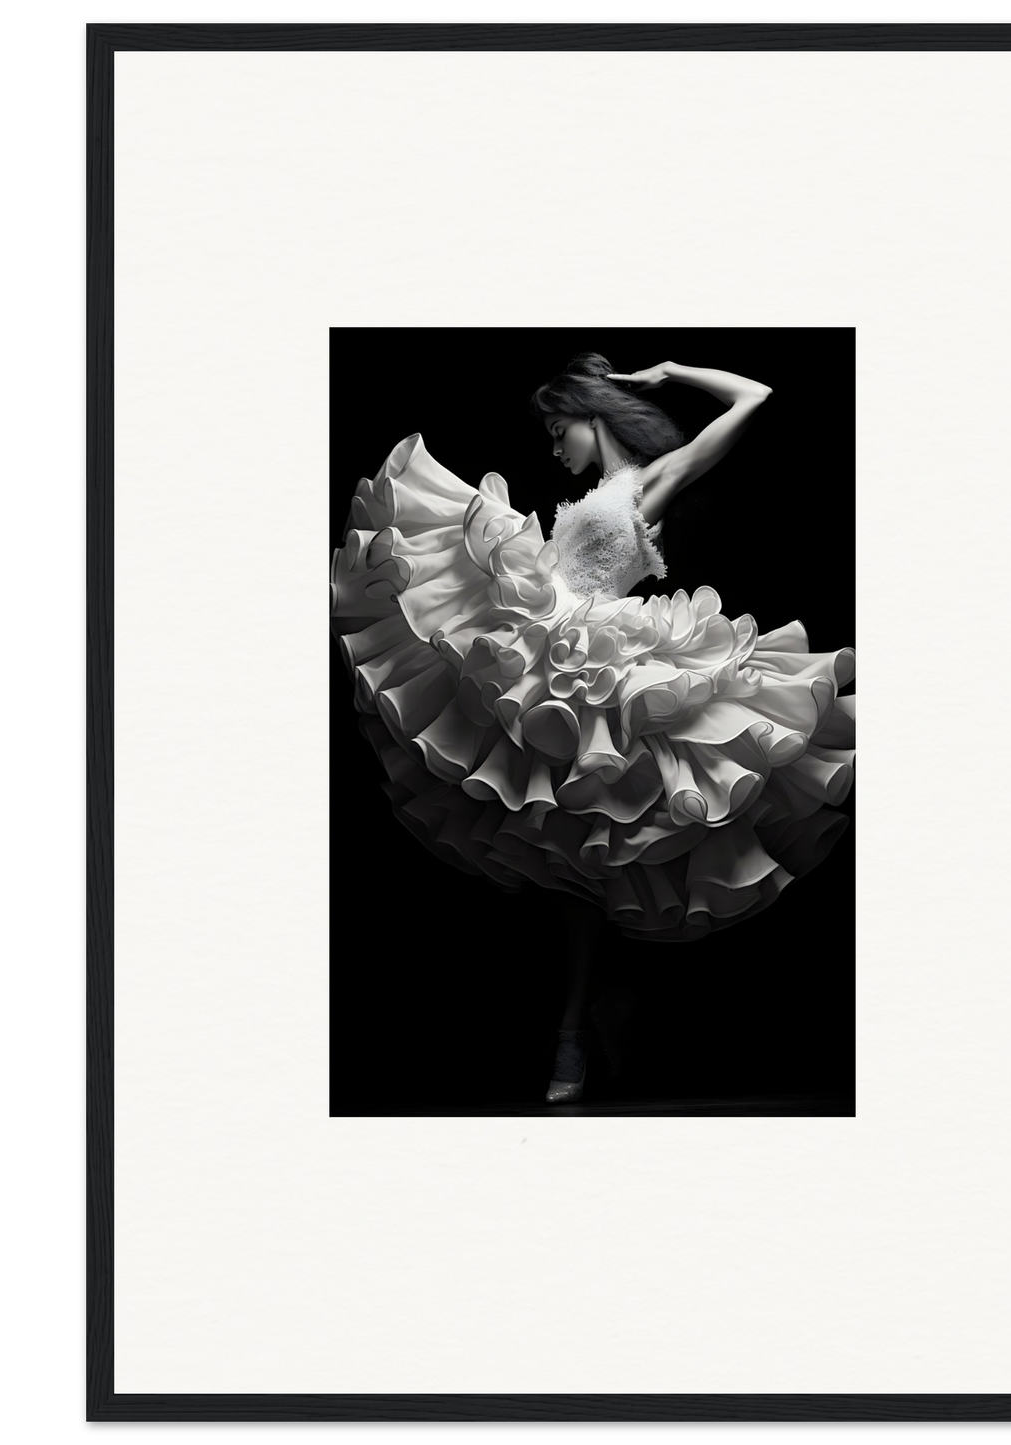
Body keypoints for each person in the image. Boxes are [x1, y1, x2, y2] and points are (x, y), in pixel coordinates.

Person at [330, 353, 854, 1104]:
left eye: (558, 430)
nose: (554, 449)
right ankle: (583, 1023)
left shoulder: (652, 479)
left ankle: (580, 1028)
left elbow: (756, 395)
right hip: (550, 646)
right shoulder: (596, 490)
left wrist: (668, 371)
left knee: (594, 855)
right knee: (565, 858)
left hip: (604, 660)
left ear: (591, 415)